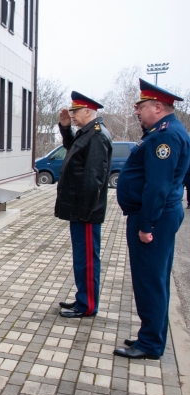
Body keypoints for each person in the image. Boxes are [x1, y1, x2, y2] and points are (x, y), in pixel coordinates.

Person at [114, 79, 190, 360]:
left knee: (149, 280)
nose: (137, 111)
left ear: (158, 107)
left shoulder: (164, 137)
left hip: (154, 218)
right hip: (163, 214)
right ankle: (151, 335)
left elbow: (157, 186)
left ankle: (150, 344)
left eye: (142, 106)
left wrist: (146, 226)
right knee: (154, 279)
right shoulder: (172, 131)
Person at [55, 92, 112, 319]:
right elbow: (72, 149)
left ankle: (87, 305)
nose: (73, 115)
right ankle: (83, 298)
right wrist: (66, 127)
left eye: (76, 112)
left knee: (88, 259)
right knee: (81, 257)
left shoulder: (97, 135)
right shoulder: (87, 133)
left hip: (85, 212)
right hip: (80, 210)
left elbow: (94, 178)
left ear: (88, 111)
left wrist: (85, 211)